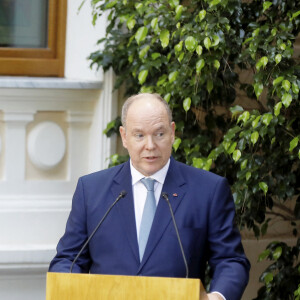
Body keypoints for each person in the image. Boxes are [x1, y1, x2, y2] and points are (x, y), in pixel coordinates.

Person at [49, 93, 250, 300]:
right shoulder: (91, 190)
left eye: (159, 134)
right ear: (124, 137)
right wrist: (68, 289)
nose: (150, 145)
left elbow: (231, 260)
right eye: (139, 135)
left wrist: (216, 297)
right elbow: (68, 259)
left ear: (172, 132)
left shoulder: (208, 190)